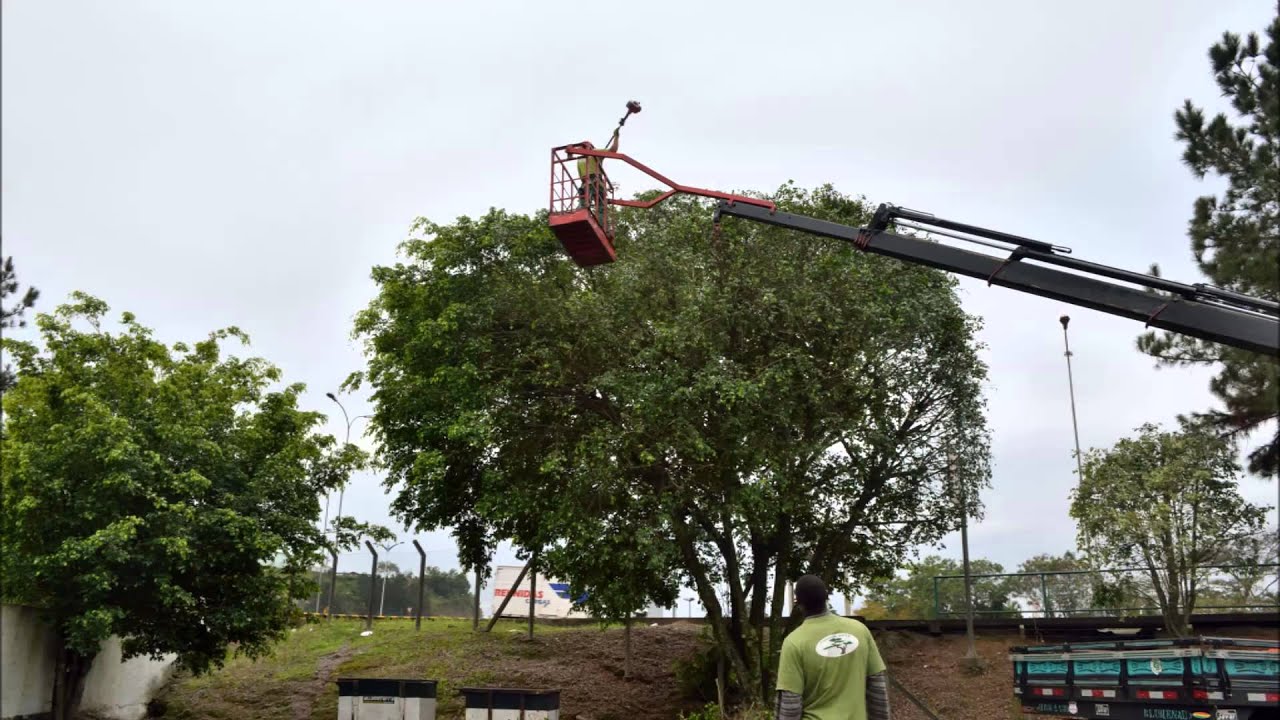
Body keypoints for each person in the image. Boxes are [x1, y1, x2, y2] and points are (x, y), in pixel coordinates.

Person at [774, 574, 892, 720]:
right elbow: (878, 688)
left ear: (798, 603)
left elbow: (790, 705)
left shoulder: (793, 642)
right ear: (826, 597)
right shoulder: (860, 631)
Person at [576, 128, 620, 224]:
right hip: (592, 182)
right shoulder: (581, 159)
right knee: (599, 206)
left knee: (588, 201)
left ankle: (581, 215)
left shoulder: (593, 153)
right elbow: (613, 150)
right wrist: (616, 136)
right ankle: (600, 224)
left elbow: (613, 150)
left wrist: (616, 137)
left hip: (592, 182)